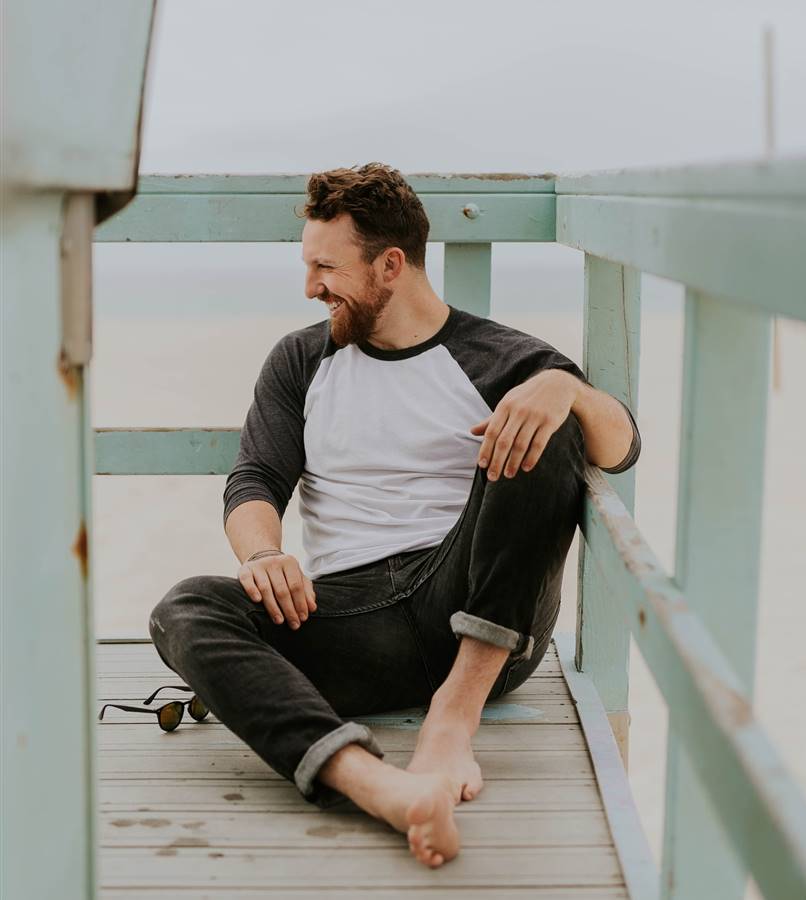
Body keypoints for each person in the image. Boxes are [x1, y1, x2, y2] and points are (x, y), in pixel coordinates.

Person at [148, 162, 641, 869]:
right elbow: (255, 478)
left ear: (390, 265)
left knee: (550, 421)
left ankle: (452, 718)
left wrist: (564, 387)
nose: (311, 286)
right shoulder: (299, 361)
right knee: (185, 608)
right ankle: (378, 786)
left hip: (476, 605)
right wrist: (262, 556)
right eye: (307, 265)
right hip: (350, 618)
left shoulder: (501, 357)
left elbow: (620, 449)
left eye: (326, 266)